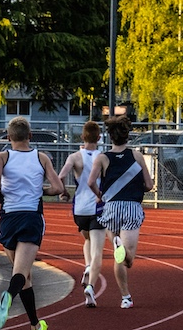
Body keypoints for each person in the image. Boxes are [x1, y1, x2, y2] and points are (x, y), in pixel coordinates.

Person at [0, 116, 67, 330]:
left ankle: (35, 326)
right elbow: (58, 187)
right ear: (30, 136)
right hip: (31, 217)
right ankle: (8, 296)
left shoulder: (2, 156)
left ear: (9, 138)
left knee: (25, 275)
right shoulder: (41, 157)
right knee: (20, 274)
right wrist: (40, 191)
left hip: (8, 218)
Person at [87, 114, 153, 309]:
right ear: (127, 135)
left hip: (111, 208)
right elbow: (149, 185)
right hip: (131, 207)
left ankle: (126, 297)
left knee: (118, 255)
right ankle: (125, 297)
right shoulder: (136, 156)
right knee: (127, 259)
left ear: (110, 136)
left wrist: (100, 195)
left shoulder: (102, 158)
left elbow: (90, 182)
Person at [58, 120, 103, 308]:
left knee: (87, 240)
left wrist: (64, 192)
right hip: (97, 206)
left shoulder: (75, 157)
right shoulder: (103, 157)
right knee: (98, 250)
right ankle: (91, 286)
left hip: (80, 208)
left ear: (82, 137)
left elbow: (61, 176)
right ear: (99, 138)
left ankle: (87, 266)